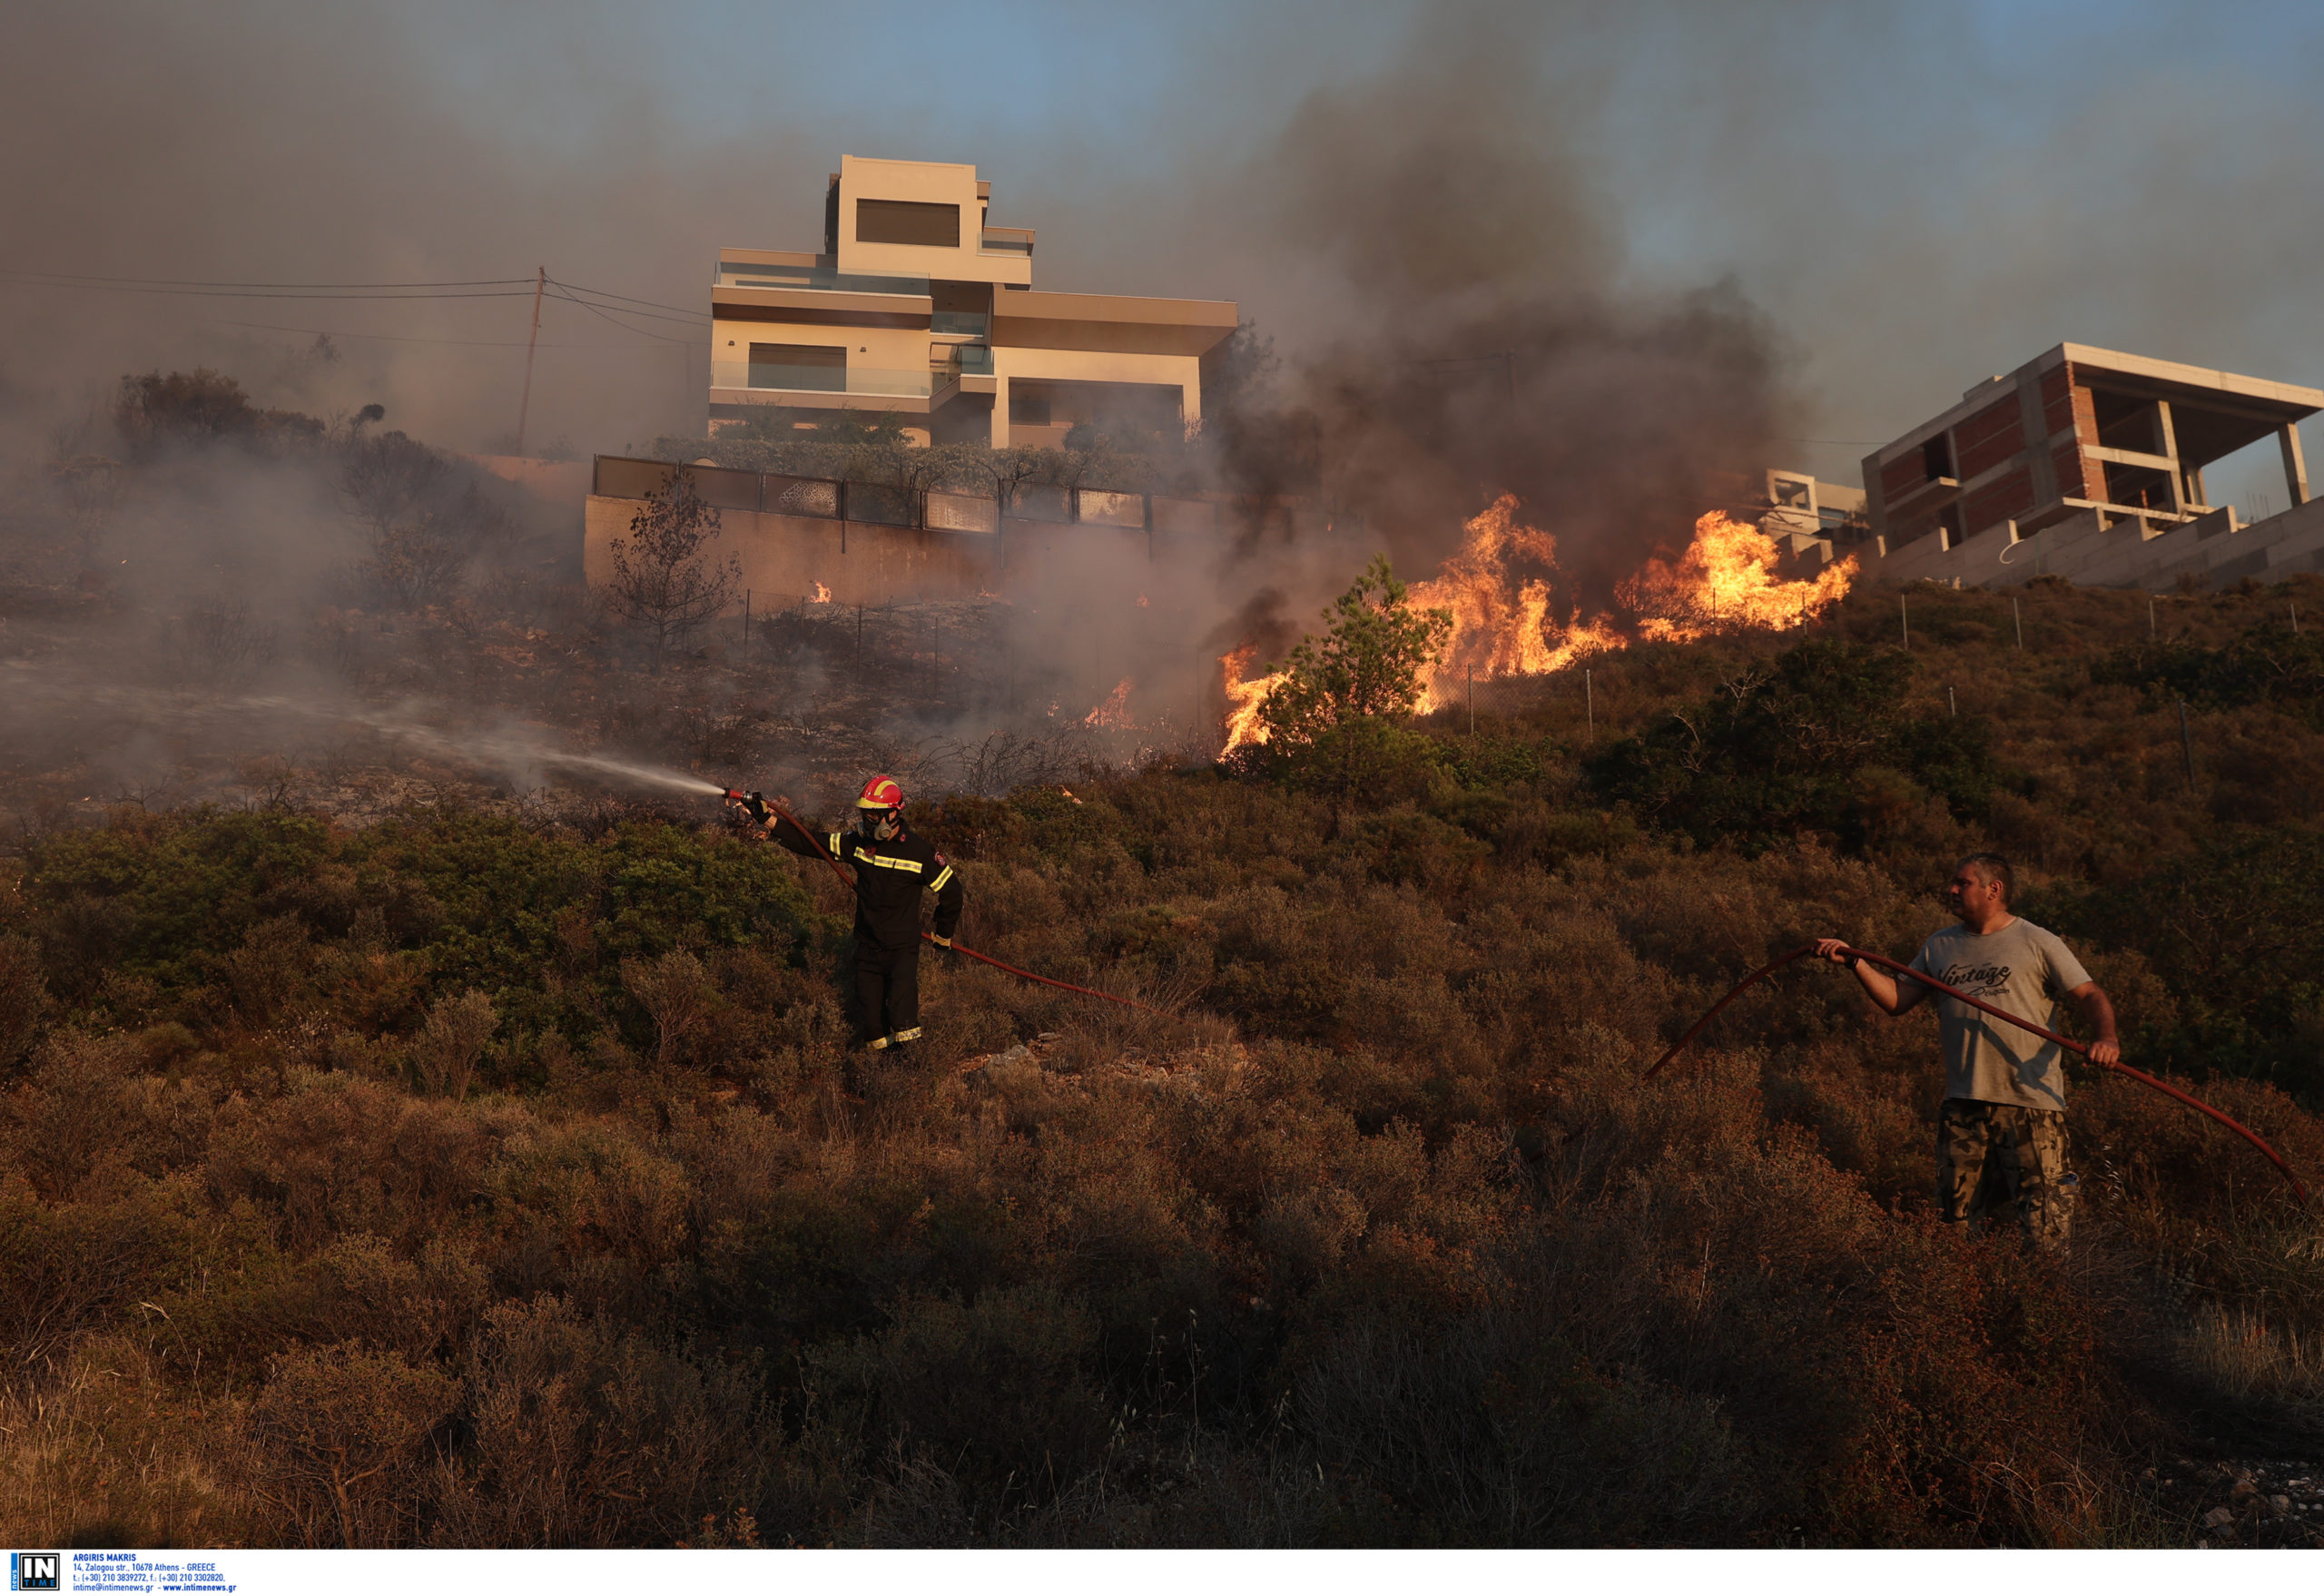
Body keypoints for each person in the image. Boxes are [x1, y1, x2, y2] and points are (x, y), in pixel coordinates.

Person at [1816, 852, 2118, 1245]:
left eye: (1963, 883)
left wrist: (2106, 1038)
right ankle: (1965, 1303)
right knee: (1954, 1231)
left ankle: (2041, 1303)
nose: (1952, 889)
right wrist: (1854, 962)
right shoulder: (1940, 945)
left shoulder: (2038, 941)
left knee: (2044, 1230)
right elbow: (1897, 1000)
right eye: (1953, 882)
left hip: (2030, 1105)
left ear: (1995, 889)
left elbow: (2090, 993)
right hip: (1962, 1106)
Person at [747, 775, 963, 1056]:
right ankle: (881, 1078)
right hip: (867, 949)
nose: (868, 820)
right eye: (865, 814)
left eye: (874, 814)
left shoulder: (919, 852)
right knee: (872, 1025)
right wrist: (768, 820)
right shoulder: (858, 843)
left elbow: (952, 891)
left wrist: (943, 934)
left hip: (901, 951)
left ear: (894, 813)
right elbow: (813, 843)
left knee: (903, 1020)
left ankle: (912, 1078)